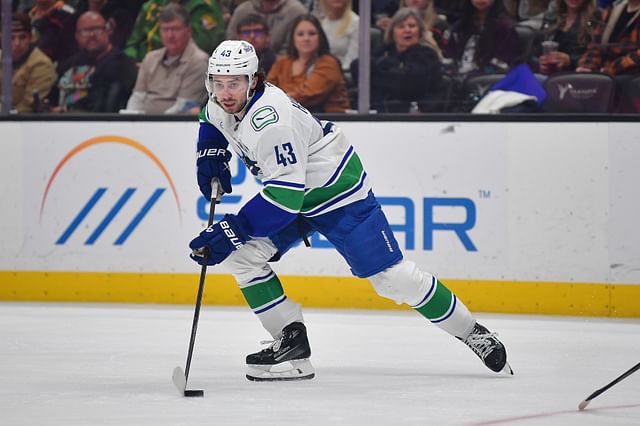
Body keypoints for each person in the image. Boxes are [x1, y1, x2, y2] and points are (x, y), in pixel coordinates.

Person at [188, 39, 513, 382]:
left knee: (393, 280)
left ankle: (472, 332)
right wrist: (209, 153)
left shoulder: (271, 121)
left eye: (234, 83)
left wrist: (232, 229)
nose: (225, 92)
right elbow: (209, 119)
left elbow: (285, 198)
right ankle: (291, 344)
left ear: (253, 80)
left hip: (338, 195)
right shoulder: (220, 101)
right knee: (242, 257)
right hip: (295, 195)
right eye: (219, 82)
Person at [351, 8, 443, 112]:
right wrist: (392, 69)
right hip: (376, 111)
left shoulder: (427, 55)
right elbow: (357, 66)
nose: (407, 30)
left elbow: (405, 86)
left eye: (412, 26)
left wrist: (377, 74)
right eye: (401, 27)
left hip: (411, 115)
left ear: (419, 31)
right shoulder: (385, 50)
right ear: (392, 32)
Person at [124, 3, 208, 114]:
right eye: (165, 29)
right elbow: (137, 98)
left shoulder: (198, 61)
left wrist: (154, 124)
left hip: (175, 126)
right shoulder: (150, 58)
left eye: (175, 29)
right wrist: (131, 121)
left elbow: (184, 107)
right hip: (142, 124)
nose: (170, 35)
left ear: (188, 31)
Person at [47, 11, 137, 112]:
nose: (92, 35)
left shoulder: (122, 65)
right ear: (76, 36)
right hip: (57, 123)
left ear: (108, 31)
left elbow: (105, 105)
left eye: (97, 29)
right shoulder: (68, 65)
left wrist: (66, 108)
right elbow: (51, 99)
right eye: (85, 31)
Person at [267, 14, 350, 113]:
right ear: (293, 38)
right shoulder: (282, 62)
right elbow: (267, 91)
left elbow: (307, 95)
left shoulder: (329, 63)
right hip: (286, 117)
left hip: (330, 121)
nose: (306, 39)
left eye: (312, 33)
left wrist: (275, 100)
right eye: (300, 34)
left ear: (320, 37)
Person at [124, 0, 225, 62]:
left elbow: (199, 47)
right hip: (140, 65)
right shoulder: (152, 4)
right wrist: (131, 62)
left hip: (177, 70)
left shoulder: (203, 7)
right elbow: (132, 43)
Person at [444, 0, 519, 77]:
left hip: (487, 81)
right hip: (457, 81)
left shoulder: (504, 28)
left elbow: (502, 65)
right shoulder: (460, 27)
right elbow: (450, 58)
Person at [0, 13, 56, 113]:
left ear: (31, 38)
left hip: (21, 122)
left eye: (22, 37)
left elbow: (29, 106)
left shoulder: (41, 64)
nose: (17, 43)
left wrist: (5, 117)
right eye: (11, 38)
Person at [576, 0, 640, 76]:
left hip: (628, 77)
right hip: (603, 74)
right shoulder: (613, 9)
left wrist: (609, 70)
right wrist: (587, 66)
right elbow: (596, 43)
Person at [536, 0, 600, 75]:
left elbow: (594, 58)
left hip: (574, 76)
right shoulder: (552, 15)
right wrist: (540, 64)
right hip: (549, 74)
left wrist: (569, 60)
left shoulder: (594, 18)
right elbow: (535, 51)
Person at [226, 0, 307, 53]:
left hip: (281, 68)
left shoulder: (296, 11)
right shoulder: (243, 10)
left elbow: (294, 50)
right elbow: (230, 43)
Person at [315, 0, 360, 72]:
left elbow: (351, 63)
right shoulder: (323, 22)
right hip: (320, 71)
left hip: (342, 74)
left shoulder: (356, 23)